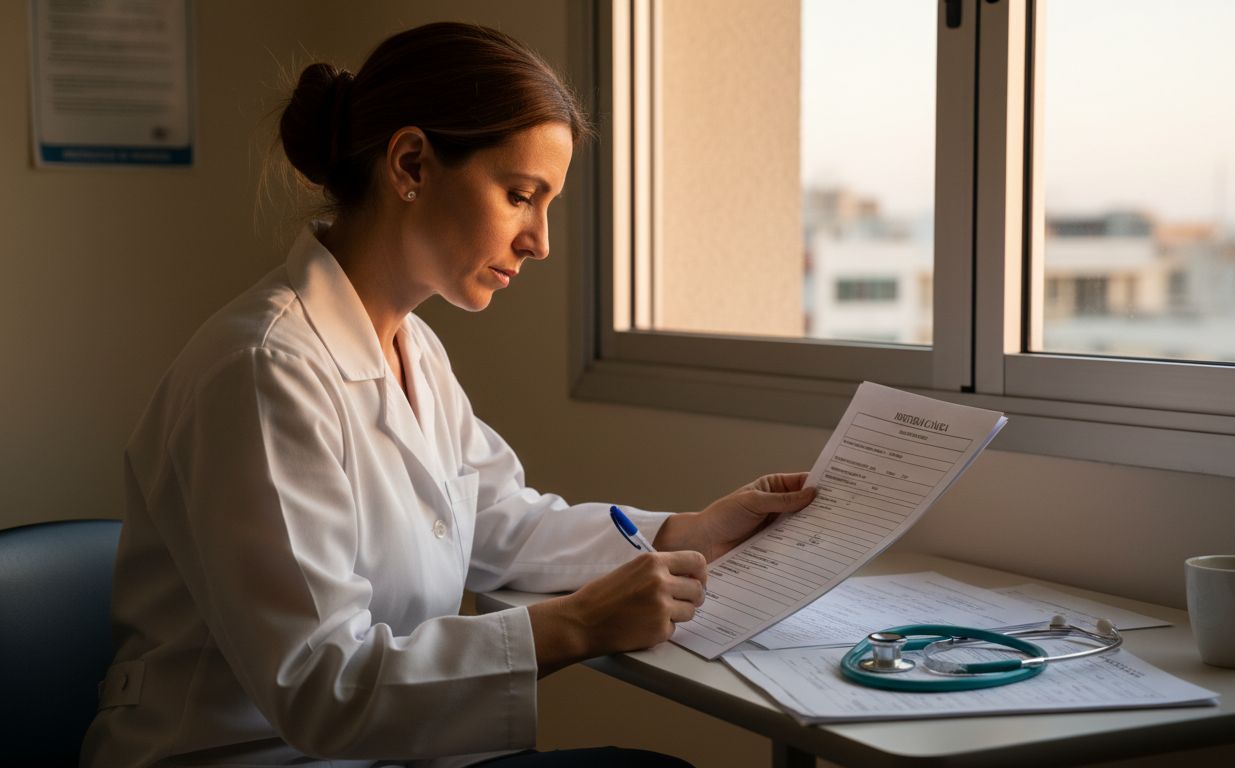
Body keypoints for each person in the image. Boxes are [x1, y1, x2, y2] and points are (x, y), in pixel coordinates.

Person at [80, 21, 815, 768]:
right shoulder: (264, 369)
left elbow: (502, 524)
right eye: (521, 195)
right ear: (411, 164)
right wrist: (575, 627)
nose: (540, 241)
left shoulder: (413, 349)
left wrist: (686, 532)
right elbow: (319, 684)